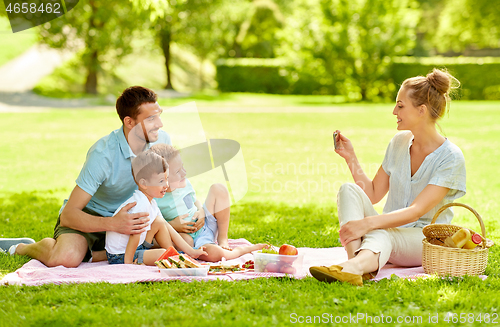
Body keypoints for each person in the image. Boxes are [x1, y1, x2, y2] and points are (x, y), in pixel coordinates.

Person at [310, 69, 466, 286]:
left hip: (424, 239)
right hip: (386, 232)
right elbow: (373, 194)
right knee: (348, 190)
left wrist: (367, 224)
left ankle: (352, 268)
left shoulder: (451, 157)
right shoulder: (399, 142)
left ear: (421, 110)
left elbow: (416, 211)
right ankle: (356, 266)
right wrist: (350, 157)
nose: (394, 111)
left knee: (383, 234)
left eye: (400, 105)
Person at [6, 86, 172, 267]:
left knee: (183, 240)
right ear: (129, 122)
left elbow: (169, 187)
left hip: (131, 222)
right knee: (66, 257)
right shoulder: (103, 153)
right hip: (91, 217)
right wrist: (114, 224)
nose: (160, 124)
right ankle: (25, 247)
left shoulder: (161, 140)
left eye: (159, 115)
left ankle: (96, 254)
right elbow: (69, 216)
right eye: (151, 119)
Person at [149, 143, 268, 262]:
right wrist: (174, 226)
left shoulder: (184, 183)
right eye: (178, 171)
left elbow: (194, 201)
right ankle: (241, 250)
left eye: (183, 167)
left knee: (219, 189)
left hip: (204, 223)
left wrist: (201, 211)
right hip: (189, 239)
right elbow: (156, 228)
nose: (184, 173)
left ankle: (223, 239)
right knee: (214, 254)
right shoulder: (156, 198)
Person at [106, 150, 207, 265]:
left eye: (167, 179)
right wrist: (128, 264)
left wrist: (191, 251)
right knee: (161, 254)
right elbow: (134, 236)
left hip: (137, 247)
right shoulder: (140, 205)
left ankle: (174, 255)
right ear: (144, 184)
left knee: (159, 222)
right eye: (161, 181)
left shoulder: (151, 202)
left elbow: (167, 226)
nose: (166, 185)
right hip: (121, 255)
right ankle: (169, 257)